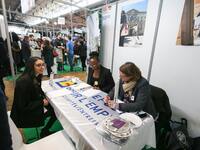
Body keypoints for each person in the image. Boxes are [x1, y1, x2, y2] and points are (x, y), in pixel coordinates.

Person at [10, 57, 57, 138]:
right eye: (38, 65)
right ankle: (44, 131)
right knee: (55, 112)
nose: (42, 67)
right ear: (31, 66)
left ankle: (45, 130)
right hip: (24, 114)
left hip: (32, 105)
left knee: (54, 109)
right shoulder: (23, 81)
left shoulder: (36, 76)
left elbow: (38, 91)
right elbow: (22, 106)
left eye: (43, 65)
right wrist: (41, 102)